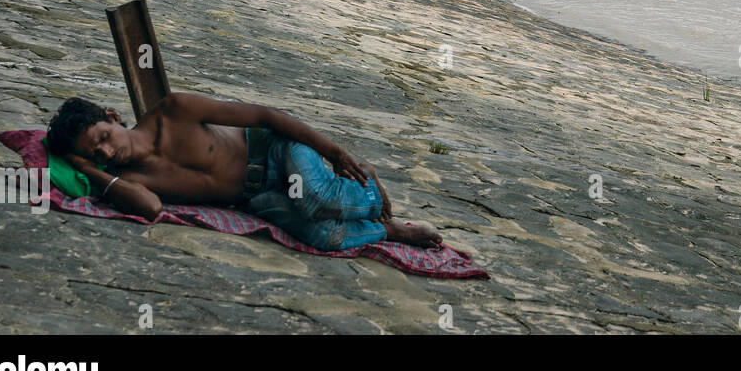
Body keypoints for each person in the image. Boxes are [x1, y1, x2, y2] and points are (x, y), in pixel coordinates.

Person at [45, 94, 443, 250]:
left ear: (113, 118)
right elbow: (149, 209)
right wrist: (90, 171)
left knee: (316, 197)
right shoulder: (130, 180)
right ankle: (387, 231)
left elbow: (266, 114)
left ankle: (366, 187)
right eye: (95, 152)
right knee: (326, 238)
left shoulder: (174, 111)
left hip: (277, 152)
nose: (106, 150)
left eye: (102, 136)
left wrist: (334, 152)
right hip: (254, 197)